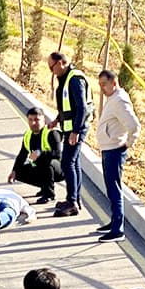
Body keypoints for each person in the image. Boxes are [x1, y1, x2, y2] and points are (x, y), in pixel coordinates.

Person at [93, 69, 140, 242]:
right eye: (100, 85)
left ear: (114, 82)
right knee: (111, 188)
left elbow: (134, 125)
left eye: (104, 84)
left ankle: (117, 229)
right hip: (108, 148)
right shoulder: (113, 99)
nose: (102, 89)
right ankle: (114, 221)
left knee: (114, 189)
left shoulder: (119, 101)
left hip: (114, 150)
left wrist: (126, 144)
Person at [45, 52, 91, 217]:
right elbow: (67, 106)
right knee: (74, 162)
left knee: (67, 163)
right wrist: (57, 120)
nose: (51, 71)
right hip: (70, 127)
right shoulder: (65, 79)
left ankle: (72, 202)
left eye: (52, 67)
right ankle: (75, 199)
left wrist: (75, 132)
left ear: (60, 63)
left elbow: (82, 108)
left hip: (76, 129)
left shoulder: (74, 79)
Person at [7, 107, 63, 204]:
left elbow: (57, 154)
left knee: (47, 163)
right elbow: (22, 155)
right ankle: (44, 187)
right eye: (31, 120)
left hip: (60, 168)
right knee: (20, 170)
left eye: (37, 120)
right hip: (41, 166)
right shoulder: (28, 135)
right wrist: (14, 171)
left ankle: (49, 194)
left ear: (43, 120)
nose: (33, 123)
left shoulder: (52, 133)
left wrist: (39, 153)